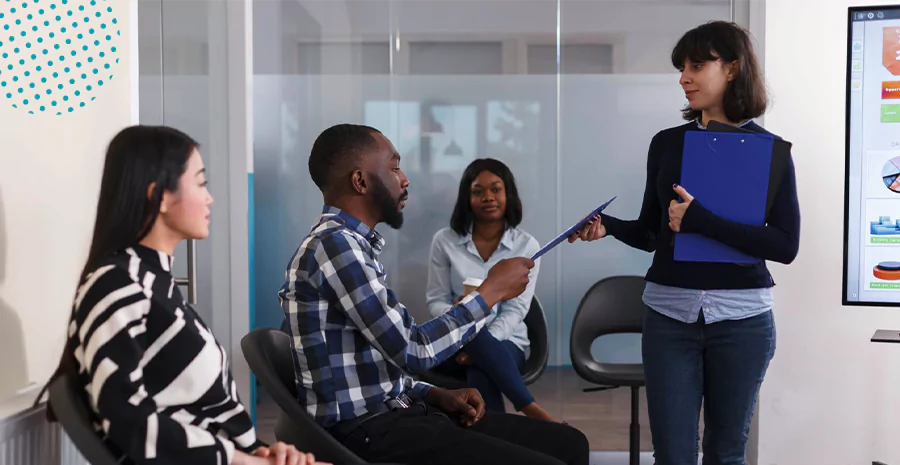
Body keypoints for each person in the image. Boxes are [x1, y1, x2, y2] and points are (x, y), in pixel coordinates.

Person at [278, 124, 589, 465]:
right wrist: (490, 292)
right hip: (370, 429)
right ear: (361, 182)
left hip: (399, 413)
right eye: (394, 167)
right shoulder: (335, 247)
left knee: (569, 443)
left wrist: (436, 393)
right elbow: (413, 351)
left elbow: (376, 366)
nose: (405, 179)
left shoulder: (351, 247)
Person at [570, 21, 800, 465]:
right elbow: (653, 233)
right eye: (682, 68)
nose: (683, 77)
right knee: (673, 455)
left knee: (725, 452)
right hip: (668, 318)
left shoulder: (771, 152)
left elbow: (785, 245)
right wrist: (609, 226)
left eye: (697, 65)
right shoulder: (666, 145)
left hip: (742, 321)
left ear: (732, 69)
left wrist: (702, 221)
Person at [41, 126, 324, 465]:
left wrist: (263, 453)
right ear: (160, 195)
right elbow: (127, 418)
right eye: (201, 183)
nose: (210, 198)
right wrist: (245, 460)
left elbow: (189, 410)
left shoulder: (151, 280)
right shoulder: (117, 284)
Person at [426, 158, 556, 422]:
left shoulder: (527, 245)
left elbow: (517, 309)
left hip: (507, 343)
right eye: (478, 191)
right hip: (454, 342)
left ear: (508, 194)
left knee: (481, 367)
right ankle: (529, 409)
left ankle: (488, 443)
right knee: (471, 331)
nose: (488, 197)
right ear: (467, 197)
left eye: (496, 189)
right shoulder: (444, 240)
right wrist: (458, 313)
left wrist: (482, 345)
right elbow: (436, 300)